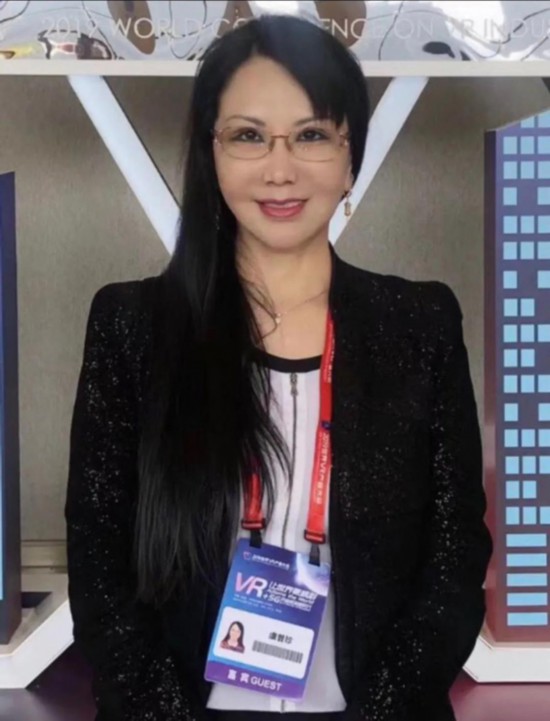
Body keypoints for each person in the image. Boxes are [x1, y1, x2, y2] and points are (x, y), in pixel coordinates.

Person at [64, 13, 493, 721]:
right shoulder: (133, 327)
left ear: (351, 156)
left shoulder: (419, 325)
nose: (280, 168)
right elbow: (98, 564)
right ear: (211, 152)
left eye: (313, 135)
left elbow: (454, 559)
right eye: (248, 135)